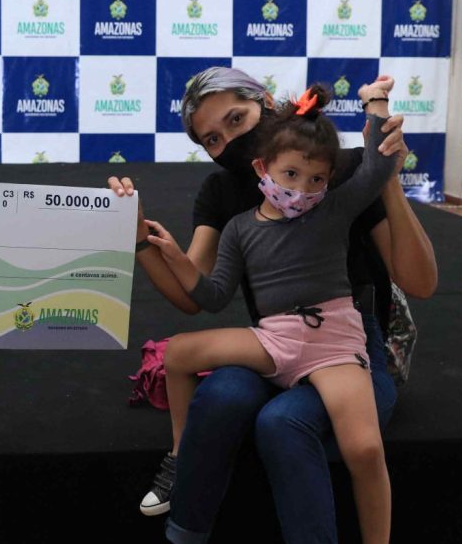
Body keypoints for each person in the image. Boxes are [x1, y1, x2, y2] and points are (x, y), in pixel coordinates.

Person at [110, 67, 437, 544]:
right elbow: (199, 293)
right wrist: (142, 242)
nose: (229, 141)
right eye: (212, 139)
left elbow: (421, 282)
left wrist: (385, 173)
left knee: (286, 424)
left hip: (345, 339)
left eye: (235, 119)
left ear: (263, 101)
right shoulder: (227, 200)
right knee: (219, 395)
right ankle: (183, 511)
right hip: (274, 336)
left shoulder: (339, 176)